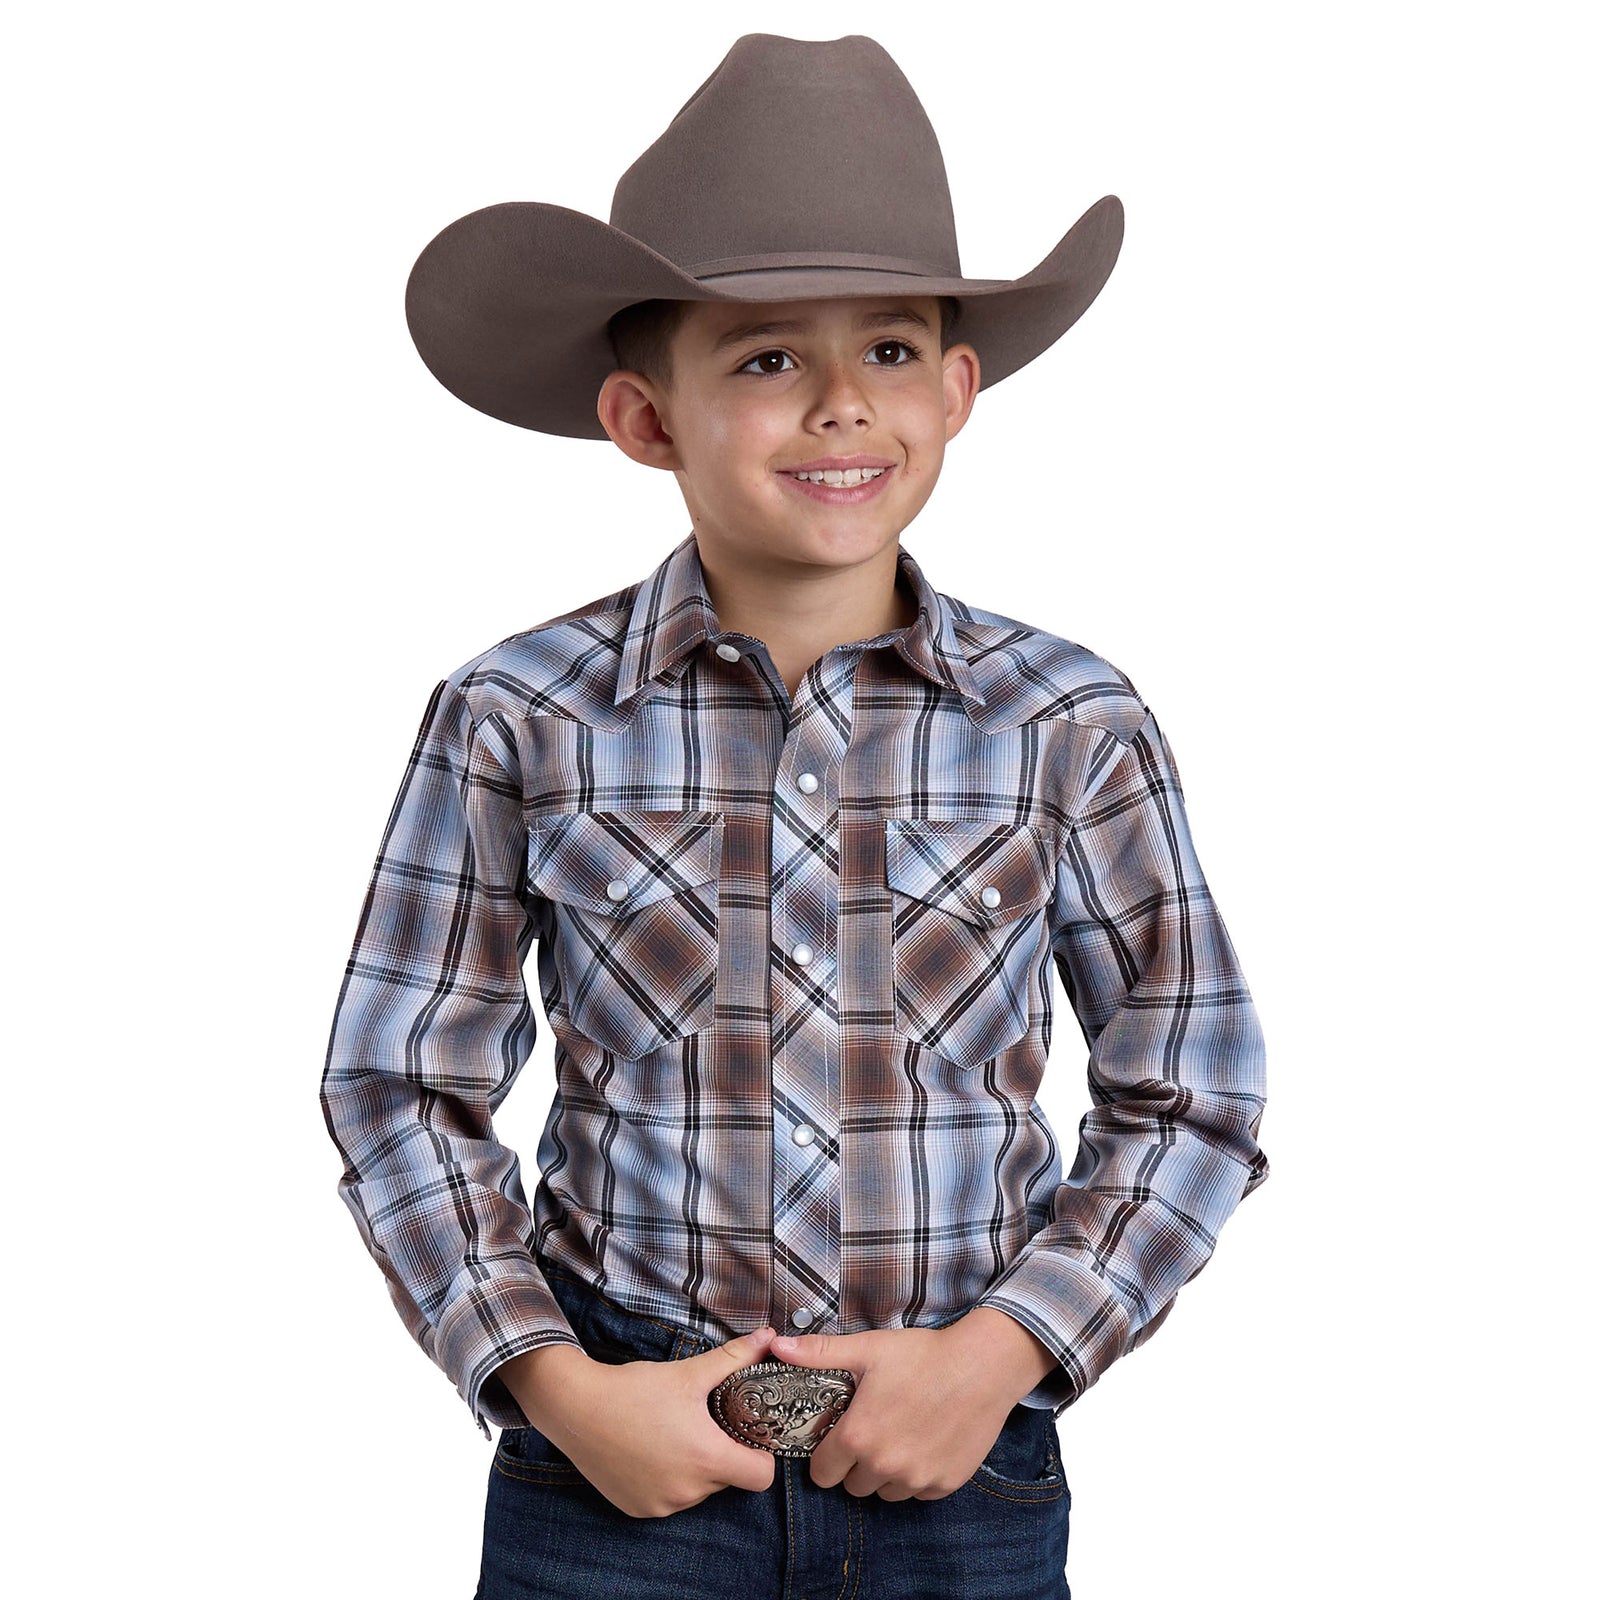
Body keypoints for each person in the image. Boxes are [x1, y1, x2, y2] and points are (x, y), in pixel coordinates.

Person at [320, 32, 1268, 1600]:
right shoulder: (520, 715)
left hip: (963, 1467)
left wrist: (1001, 1354)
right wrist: (561, 1389)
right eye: (766, 359)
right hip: (614, 1475)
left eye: (892, 351)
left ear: (958, 392)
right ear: (646, 418)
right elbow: (397, 1088)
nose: (843, 406)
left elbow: (1196, 1089)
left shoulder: (1069, 721)